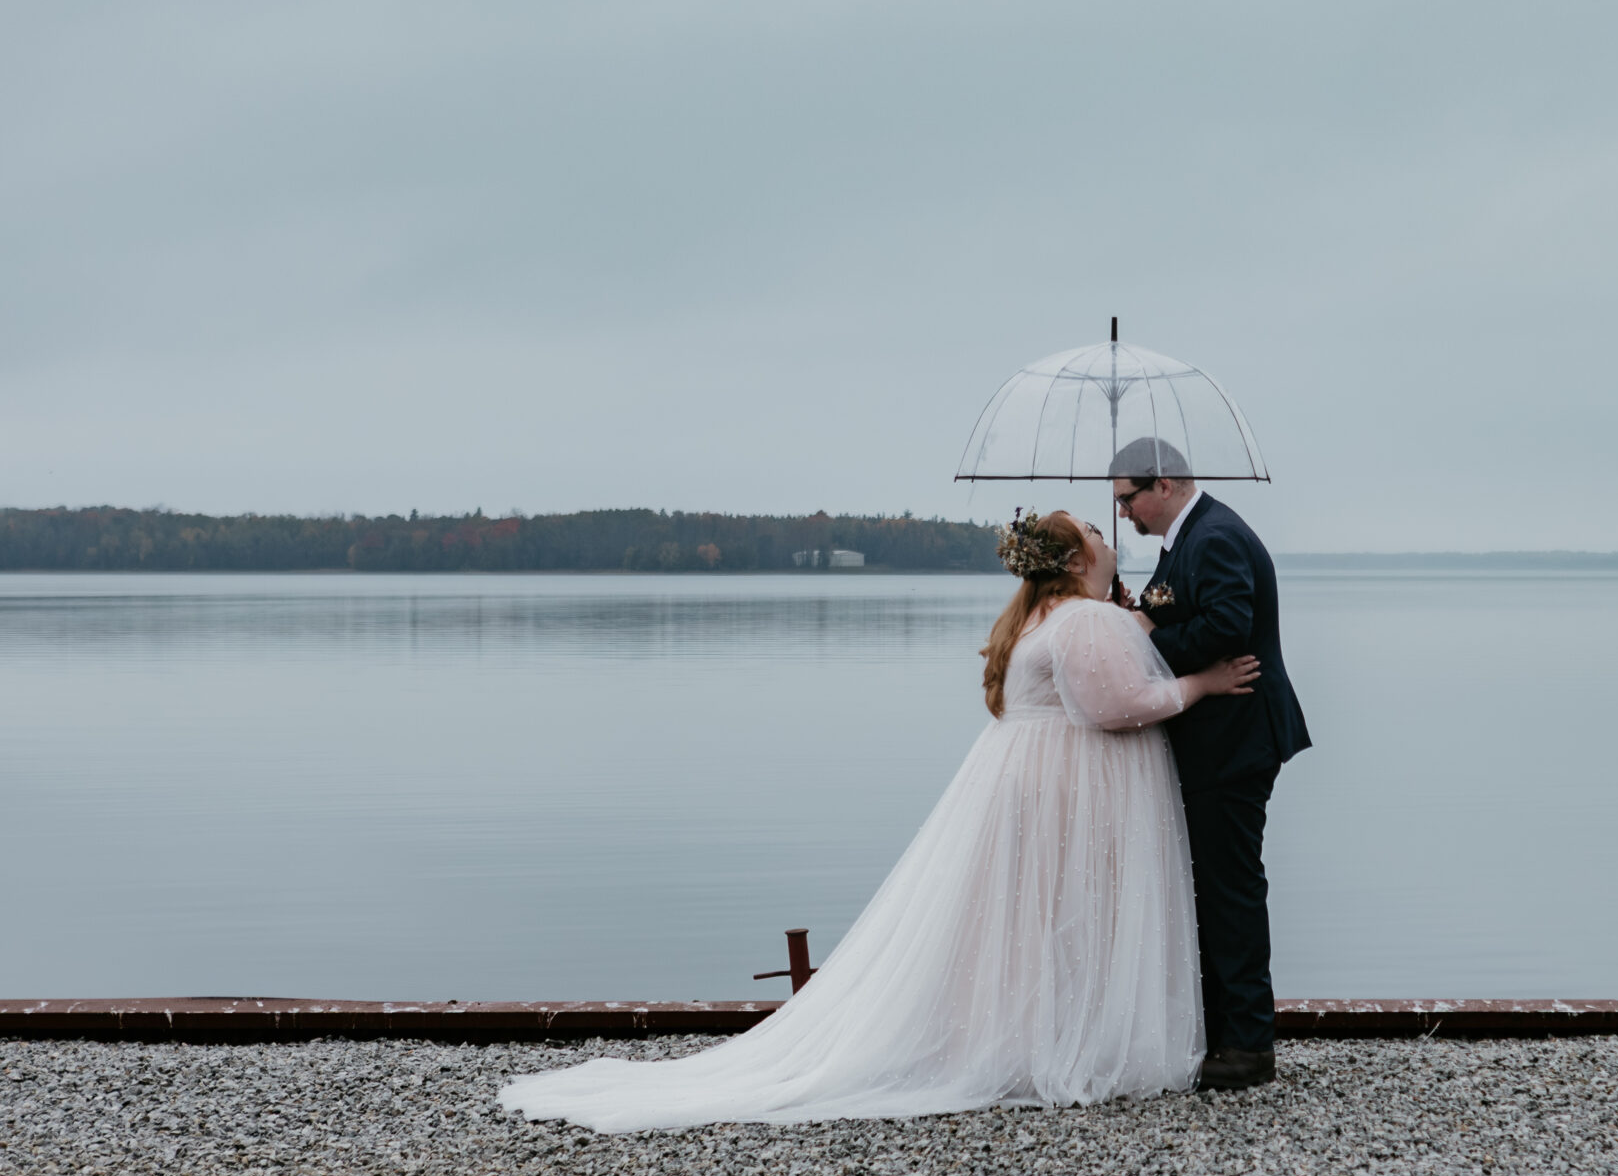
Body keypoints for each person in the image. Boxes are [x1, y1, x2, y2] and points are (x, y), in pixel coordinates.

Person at [496, 511, 1260, 1130]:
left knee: (1022, 918)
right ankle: (1052, 1041)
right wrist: (1201, 682)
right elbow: (1119, 706)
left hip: (1019, 783)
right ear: (1071, 561)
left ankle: (1030, 1033)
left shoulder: (1036, 618)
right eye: (1097, 534)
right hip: (1061, 785)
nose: (1107, 538)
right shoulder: (1080, 621)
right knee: (1050, 914)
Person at [1110, 439, 1312, 1091]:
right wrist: (1133, 615)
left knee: (1230, 889)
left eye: (1128, 499)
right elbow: (1172, 607)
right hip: (1216, 738)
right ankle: (1222, 1031)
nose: (1124, 515)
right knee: (1216, 887)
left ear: (1161, 484)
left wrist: (1149, 639)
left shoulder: (1216, 534)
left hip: (1236, 738)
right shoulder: (1184, 540)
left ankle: (1249, 1046)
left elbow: (1228, 623)